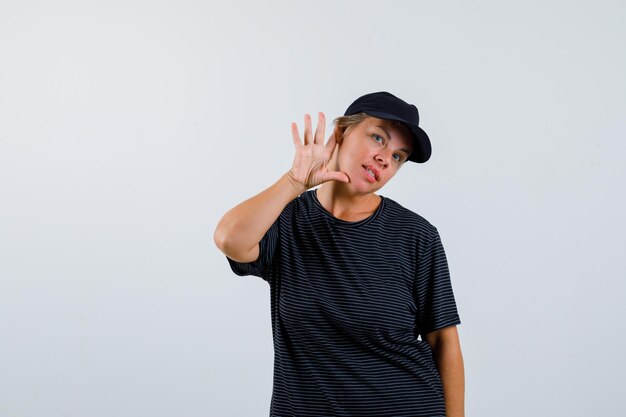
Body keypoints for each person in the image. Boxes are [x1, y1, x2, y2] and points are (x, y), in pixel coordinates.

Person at [214, 91, 465, 417]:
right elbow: (229, 238)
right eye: (378, 138)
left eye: (399, 156)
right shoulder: (287, 221)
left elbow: (445, 341)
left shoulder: (416, 236)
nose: (385, 158)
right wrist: (293, 182)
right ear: (341, 133)